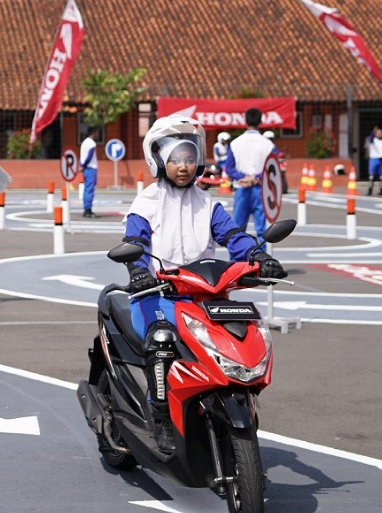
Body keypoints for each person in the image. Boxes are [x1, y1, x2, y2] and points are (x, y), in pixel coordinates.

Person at [123, 114, 284, 452]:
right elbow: (136, 244)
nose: (183, 165)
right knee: (162, 341)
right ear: (158, 159)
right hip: (156, 295)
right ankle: (162, 414)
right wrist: (138, 272)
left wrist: (259, 256)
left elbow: (233, 236)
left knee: (239, 335)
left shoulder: (208, 204)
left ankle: (238, 413)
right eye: (175, 158)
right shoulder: (145, 203)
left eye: (189, 157)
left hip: (202, 294)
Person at [222, 108, 276, 236]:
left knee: (237, 230)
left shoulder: (235, 143)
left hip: (241, 187)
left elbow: (228, 168)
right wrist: (256, 177)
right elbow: (274, 169)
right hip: (261, 189)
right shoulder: (268, 144)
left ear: (245, 121)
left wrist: (243, 177)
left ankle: (237, 256)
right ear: (261, 121)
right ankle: (262, 256)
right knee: (262, 231)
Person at [365, 126, 382, 195]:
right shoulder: (373, 140)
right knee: (371, 175)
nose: (379, 134)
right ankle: (370, 190)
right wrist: (373, 132)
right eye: (378, 133)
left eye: (381, 133)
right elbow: (371, 139)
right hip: (374, 158)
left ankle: (381, 190)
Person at [80, 127, 100, 217]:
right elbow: (89, 156)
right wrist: (84, 165)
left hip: (86, 168)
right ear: (94, 132)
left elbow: (82, 156)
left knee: (86, 189)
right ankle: (88, 210)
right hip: (90, 167)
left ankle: (86, 208)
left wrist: (82, 166)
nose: (98, 135)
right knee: (90, 189)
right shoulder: (91, 143)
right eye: (97, 132)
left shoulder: (84, 142)